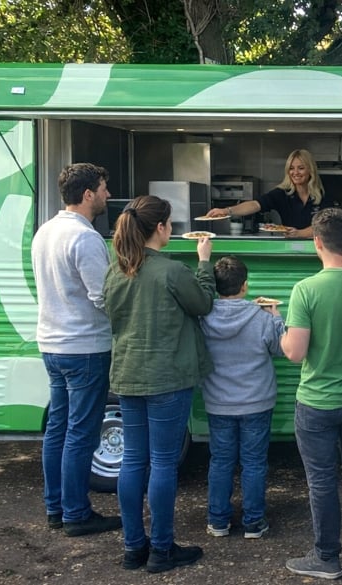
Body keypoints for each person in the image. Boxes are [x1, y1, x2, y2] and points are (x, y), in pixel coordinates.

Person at [103, 195, 215, 574]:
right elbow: (202, 304)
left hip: (128, 374)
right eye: (168, 223)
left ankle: (134, 548)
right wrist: (204, 262)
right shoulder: (171, 270)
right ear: (161, 228)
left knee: (133, 460)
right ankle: (162, 550)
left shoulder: (117, 270)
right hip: (167, 376)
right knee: (163, 463)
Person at [281, 208, 342, 580]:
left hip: (317, 402)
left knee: (321, 480)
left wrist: (281, 330)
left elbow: (295, 352)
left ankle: (326, 557)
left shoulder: (306, 289)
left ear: (317, 242)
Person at [31, 162, 122, 537]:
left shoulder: (45, 231)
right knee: (82, 433)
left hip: (52, 343)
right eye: (103, 188)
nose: (107, 195)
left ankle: (55, 507)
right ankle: (76, 514)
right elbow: (103, 297)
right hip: (84, 345)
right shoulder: (85, 239)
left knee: (58, 429)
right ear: (87, 194)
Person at [200, 255, 285, 540]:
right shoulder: (261, 317)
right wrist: (276, 317)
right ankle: (253, 522)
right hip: (257, 401)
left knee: (221, 461)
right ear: (245, 286)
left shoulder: (203, 317)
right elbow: (280, 349)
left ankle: (218, 521)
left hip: (218, 402)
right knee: (254, 462)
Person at [206, 149, 329, 238]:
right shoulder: (282, 193)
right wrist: (227, 211)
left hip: (319, 248)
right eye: (291, 168)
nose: (295, 172)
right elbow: (255, 204)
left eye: (301, 168)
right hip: (289, 246)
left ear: (310, 170)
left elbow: (328, 224)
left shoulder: (323, 194)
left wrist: (300, 233)